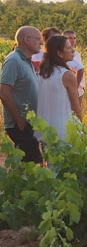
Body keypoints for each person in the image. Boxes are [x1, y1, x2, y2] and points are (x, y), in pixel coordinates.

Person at [0, 26, 43, 163]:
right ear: (27, 39)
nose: (41, 43)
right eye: (38, 39)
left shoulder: (26, 60)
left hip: (28, 122)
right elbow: (3, 92)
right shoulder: (14, 60)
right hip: (21, 124)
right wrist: (19, 121)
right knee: (33, 165)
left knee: (28, 165)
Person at [36, 35, 82, 140]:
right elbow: (76, 108)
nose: (73, 51)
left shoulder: (43, 72)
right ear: (59, 53)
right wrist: (81, 128)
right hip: (64, 130)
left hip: (46, 128)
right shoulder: (67, 75)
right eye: (69, 48)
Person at [63, 30, 86, 102]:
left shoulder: (77, 54)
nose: (72, 41)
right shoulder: (63, 54)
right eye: (70, 38)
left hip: (80, 89)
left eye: (74, 38)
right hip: (70, 89)